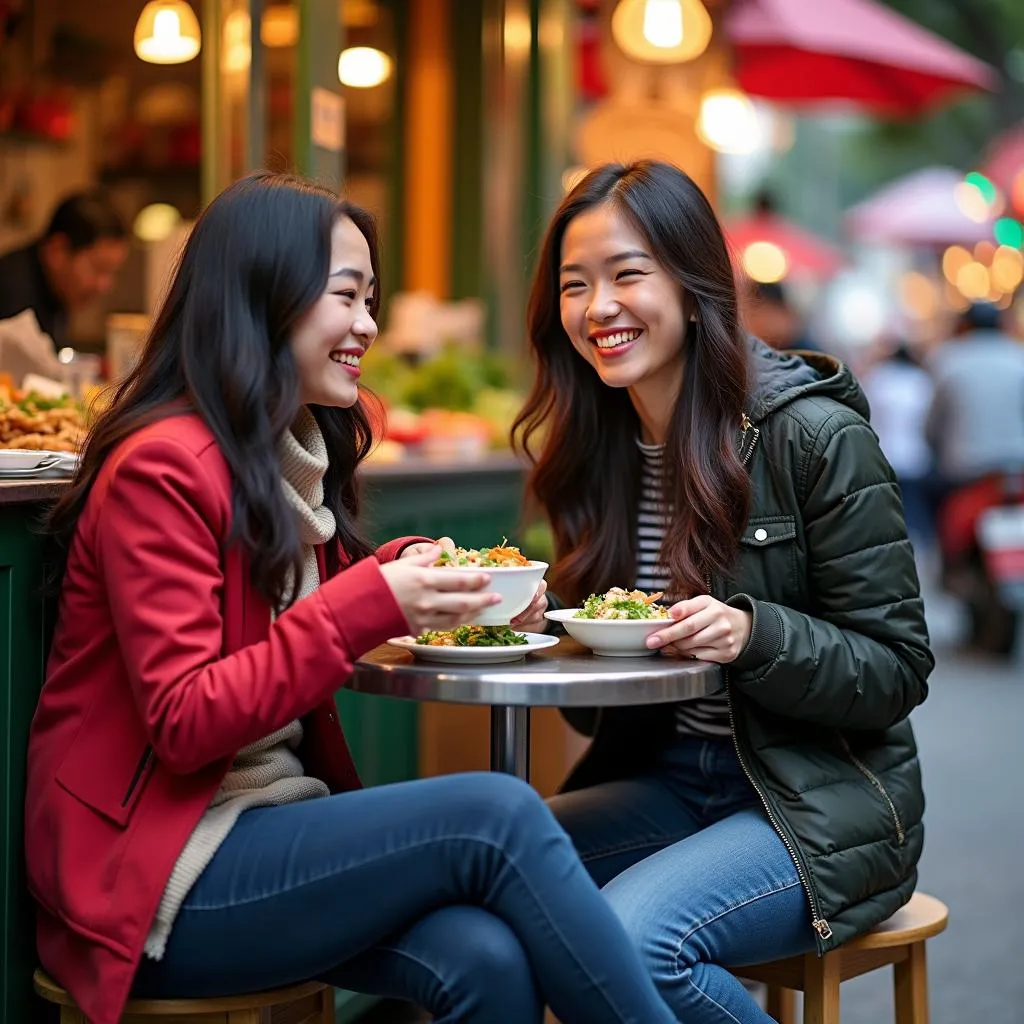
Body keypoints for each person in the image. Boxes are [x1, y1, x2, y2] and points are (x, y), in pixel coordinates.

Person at [24, 172, 678, 1024]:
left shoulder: (282, 451)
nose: (368, 325)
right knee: (498, 813)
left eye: (371, 298)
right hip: (157, 871)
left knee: (485, 959)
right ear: (266, 295)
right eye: (348, 296)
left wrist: (434, 575)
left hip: (260, 828)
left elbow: (318, 600)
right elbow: (185, 719)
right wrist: (376, 598)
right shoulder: (163, 467)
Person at [511, 160, 934, 1024]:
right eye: (574, 285)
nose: (599, 309)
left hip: (815, 803)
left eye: (628, 274)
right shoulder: (599, 450)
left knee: (636, 944)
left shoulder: (814, 437)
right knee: (488, 879)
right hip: (672, 781)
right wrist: (545, 623)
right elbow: (596, 713)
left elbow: (897, 668)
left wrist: (754, 637)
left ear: (695, 280)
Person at [0, 189, 128, 350]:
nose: (104, 285)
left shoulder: (55, 290)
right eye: (98, 269)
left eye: (112, 272)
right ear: (58, 251)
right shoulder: (13, 295)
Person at [860, 341, 935, 550]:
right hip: (916, 456)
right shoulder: (920, 380)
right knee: (915, 510)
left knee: (888, 509)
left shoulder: (878, 379)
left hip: (884, 454)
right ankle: (916, 548)